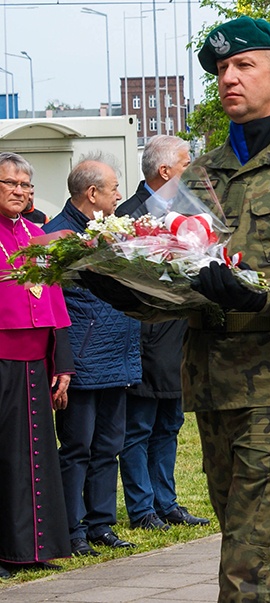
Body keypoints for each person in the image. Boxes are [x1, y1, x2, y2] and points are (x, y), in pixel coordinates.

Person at [79, 17, 270, 601]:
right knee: (262, 538)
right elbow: (181, 281)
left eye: (243, 66)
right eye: (220, 70)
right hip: (212, 385)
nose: (228, 78)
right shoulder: (202, 174)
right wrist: (129, 294)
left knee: (249, 561)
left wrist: (262, 293)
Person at [44, 154, 142, 558]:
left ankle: (102, 522)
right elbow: (54, 306)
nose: (120, 194)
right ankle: (72, 527)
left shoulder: (111, 230)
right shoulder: (58, 237)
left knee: (109, 444)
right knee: (77, 447)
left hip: (118, 353)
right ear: (92, 193)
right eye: (115, 188)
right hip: (83, 358)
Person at [115, 135, 209, 531]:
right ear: (165, 170)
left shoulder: (190, 210)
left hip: (180, 336)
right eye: (187, 163)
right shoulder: (129, 215)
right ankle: (142, 509)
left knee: (170, 423)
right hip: (143, 338)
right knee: (138, 427)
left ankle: (166, 502)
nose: (193, 170)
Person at [0, 152, 74, 577]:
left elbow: (54, 299)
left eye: (26, 185)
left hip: (33, 359)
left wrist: (61, 362)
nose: (20, 191)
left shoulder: (36, 234)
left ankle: (30, 548)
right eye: (11, 183)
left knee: (34, 458)